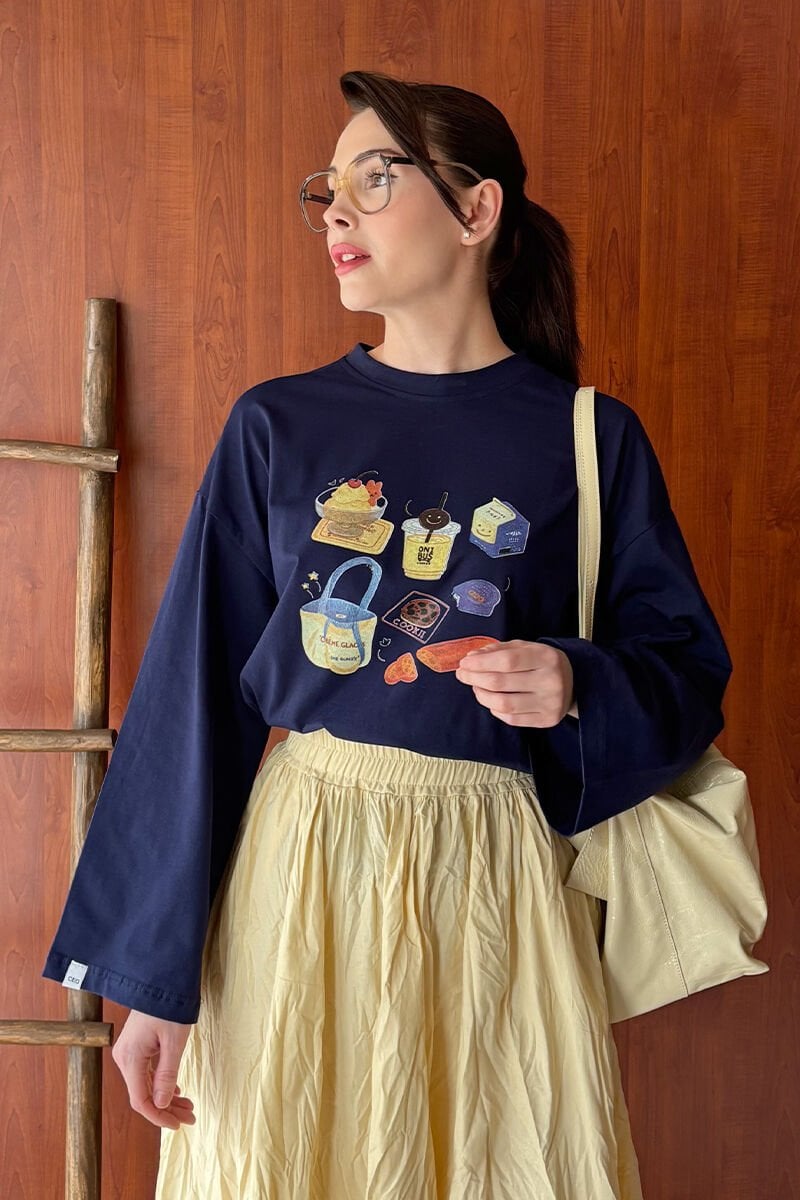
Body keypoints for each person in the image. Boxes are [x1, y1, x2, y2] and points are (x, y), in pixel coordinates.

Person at [42, 70, 732, 1198]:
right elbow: (192, 699)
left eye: (376, 177)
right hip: (300, 871)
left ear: (476, 209)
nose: (336, 213)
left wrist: (573, 682)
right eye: (327, 189)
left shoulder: (587, 437)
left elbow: (687, 673)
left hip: (499, 884)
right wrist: (150, 979)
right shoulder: (278, 425)